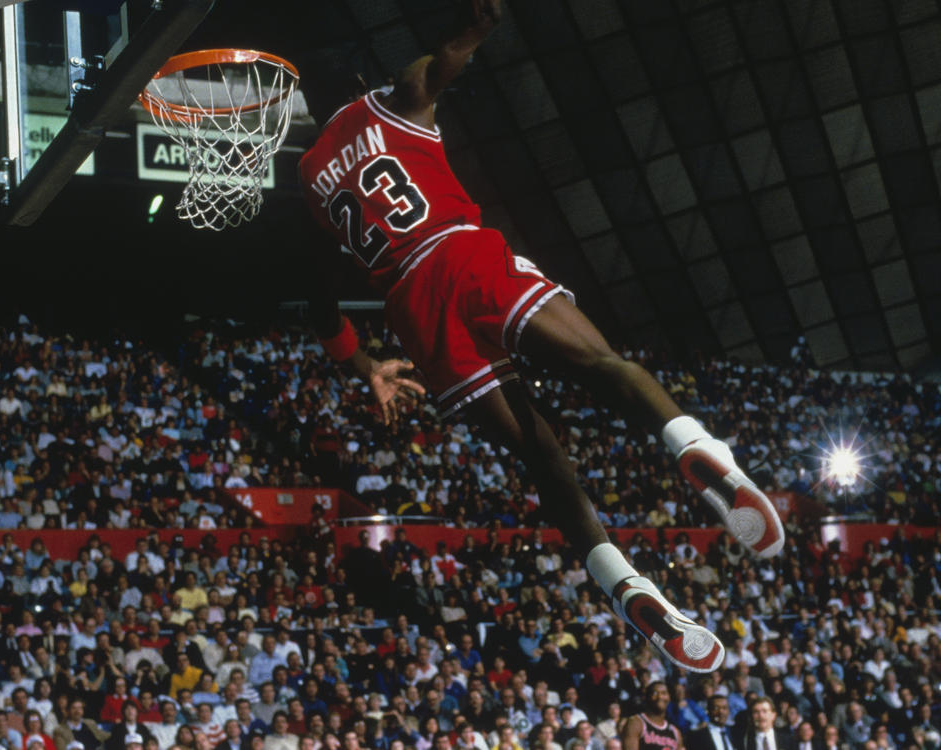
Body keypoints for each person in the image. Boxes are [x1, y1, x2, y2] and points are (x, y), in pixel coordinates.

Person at [296, 0, 783, 672]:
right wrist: (477, 28)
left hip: (412, 310)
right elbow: (432, 71)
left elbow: (318, 304)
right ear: (354, 86)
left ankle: (623, 584)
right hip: (458, 255)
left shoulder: (312, 181)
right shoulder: (388, 102)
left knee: (541, 457)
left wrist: (369, 368)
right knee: (600, 363)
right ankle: (701, 454)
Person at [621, 683, 680, 750]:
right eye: (655, 693)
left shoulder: (675, 732)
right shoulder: (636, 723)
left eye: (664, 693)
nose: (660, 697)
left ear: (669, 698)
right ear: (647, 697)